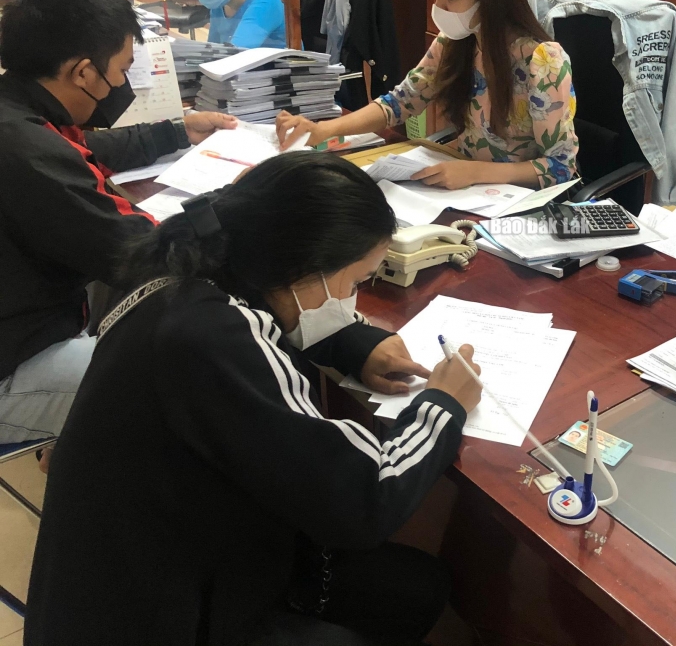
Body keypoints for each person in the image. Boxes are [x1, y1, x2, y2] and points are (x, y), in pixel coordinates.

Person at [25, 153, 481, 645]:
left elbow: (269, 316)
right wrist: (441, 405)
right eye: (353, 283)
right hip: (164, 614)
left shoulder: (182, 277)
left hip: (148, 568)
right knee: (400, 593)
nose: (351, 299)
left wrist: (353, 343)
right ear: (305, 268)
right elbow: (366, 499)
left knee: (412, 586)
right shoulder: (215, 339)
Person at [0, 0, 236, 447]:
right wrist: (235, 206)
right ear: (84, 73)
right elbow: (140, 252)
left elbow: (81, 150)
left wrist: (176, 131)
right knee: (204, 379)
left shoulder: (17, 113)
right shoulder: (24, 151)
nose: (122, 84)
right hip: (15, 363)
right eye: (122, 70)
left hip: (28, 321)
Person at [276, 0, 579, 190]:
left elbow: (560, 168)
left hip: (515, 199)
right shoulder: (456, 40)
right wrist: (323, 130)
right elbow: (402, 101)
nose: (439, 5)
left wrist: (476, 172)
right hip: (465, 182)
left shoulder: (543, 61)